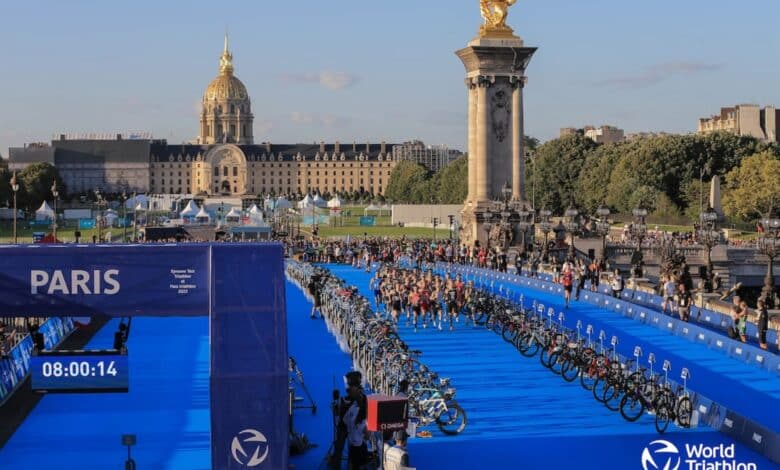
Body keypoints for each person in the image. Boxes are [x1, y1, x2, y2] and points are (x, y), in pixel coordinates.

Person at [343, 372, 368, 470]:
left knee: (356, 464)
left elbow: (345, 421)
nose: (347, 388)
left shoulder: (355, 405)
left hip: (357, 441)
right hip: (357, 441)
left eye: (349, 385)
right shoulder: (358, 401)